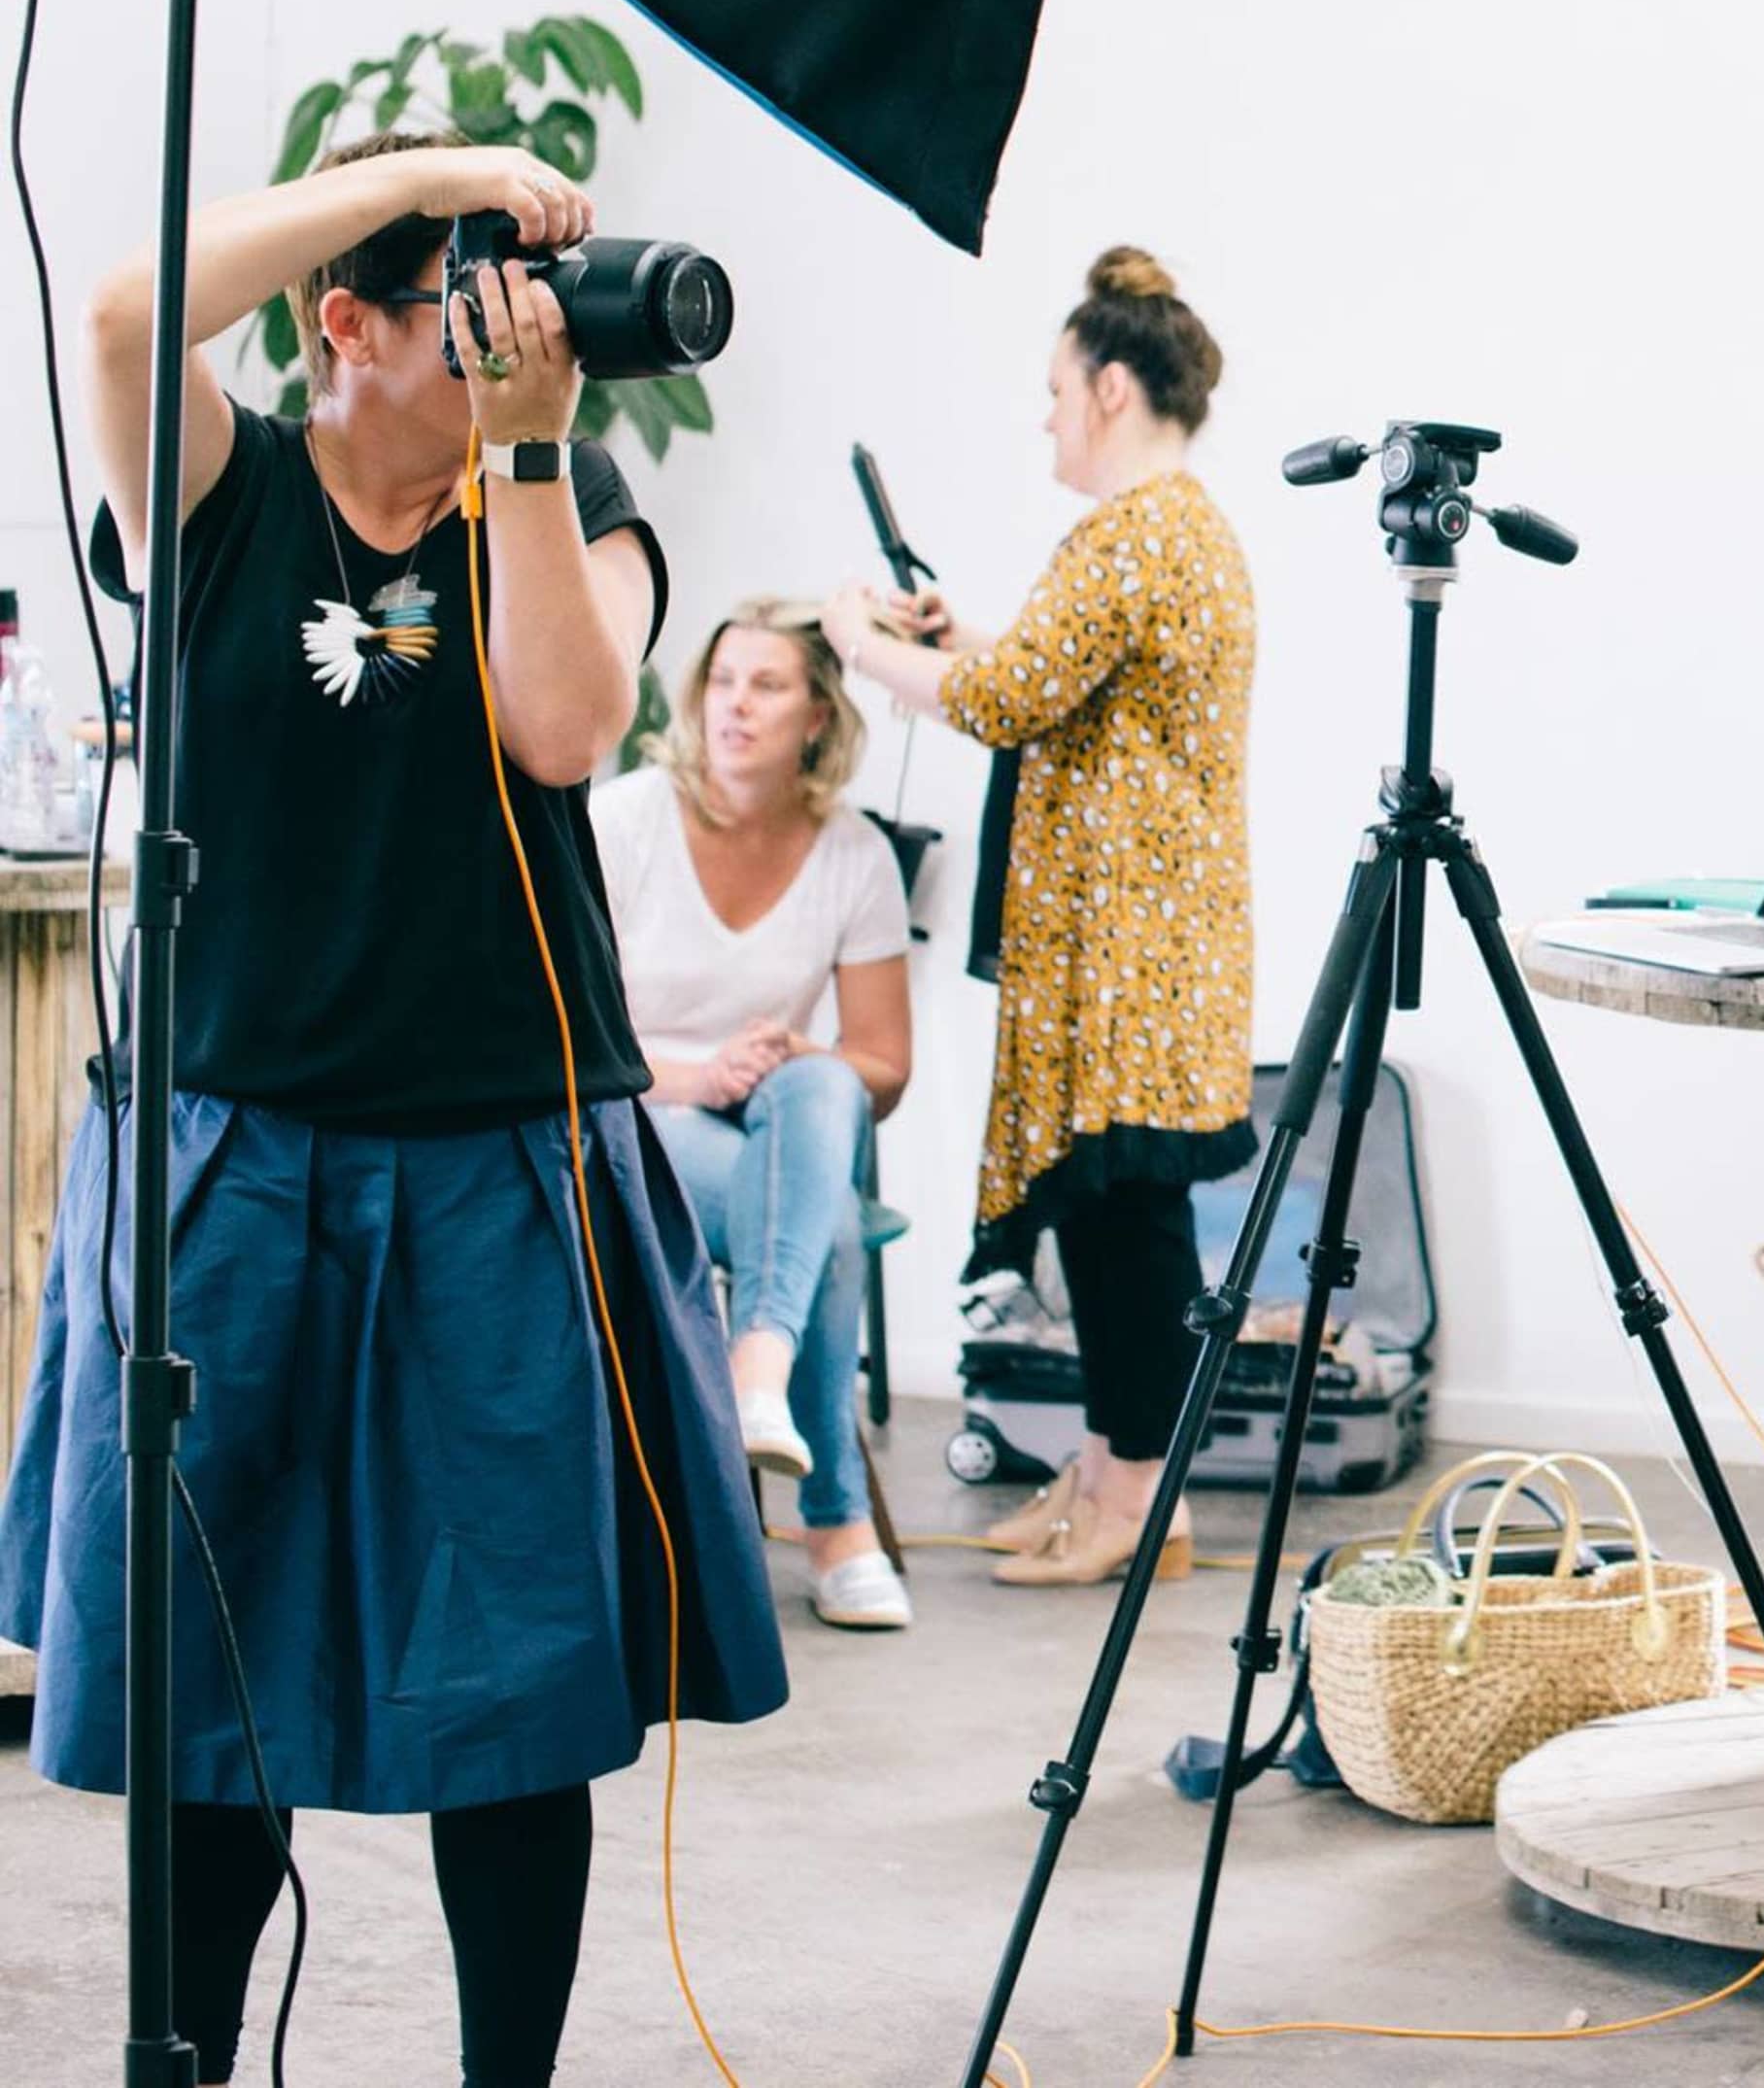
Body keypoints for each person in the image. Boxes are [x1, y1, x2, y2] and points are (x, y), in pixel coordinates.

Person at [0, 128, 786, 2088]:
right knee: (210, 1690)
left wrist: (524, 453)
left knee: (518, 1692)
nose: (525, 332)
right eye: (470, 301)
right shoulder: (222, 487)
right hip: (234, 1153)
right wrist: (425, 168)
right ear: (342, 321)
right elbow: (121, 310)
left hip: (503, 1160)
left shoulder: (567, 491)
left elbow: (566, 729)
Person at [828, 246, 1256, 1588]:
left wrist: (860, 644)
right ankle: (1111, 1475)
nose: (1047, 417)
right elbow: (1045, 676)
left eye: (1059, 391)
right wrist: (956, 638)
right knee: (1110, 1220)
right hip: (1136, 947)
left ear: (1113, 389)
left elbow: (1008, 701)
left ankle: (1138, 1501)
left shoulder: (1139, 533)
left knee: (1126, 1228)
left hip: (1132, 952)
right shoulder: (1171, 532)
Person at [596, 599, 919, 1631]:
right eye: (723, 681)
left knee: (824, 1086)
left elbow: (882, 1068)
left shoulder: (855, 855)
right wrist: (701, 1076)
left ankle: (759, 1364)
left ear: (818, 716)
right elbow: (560, 1036)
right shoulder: (625, 821)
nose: (735, 705)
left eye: (767, 685)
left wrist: (790, 1056)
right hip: (633, 1115)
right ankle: (835, 1524)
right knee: (830, 1228)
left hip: (774, 1129)